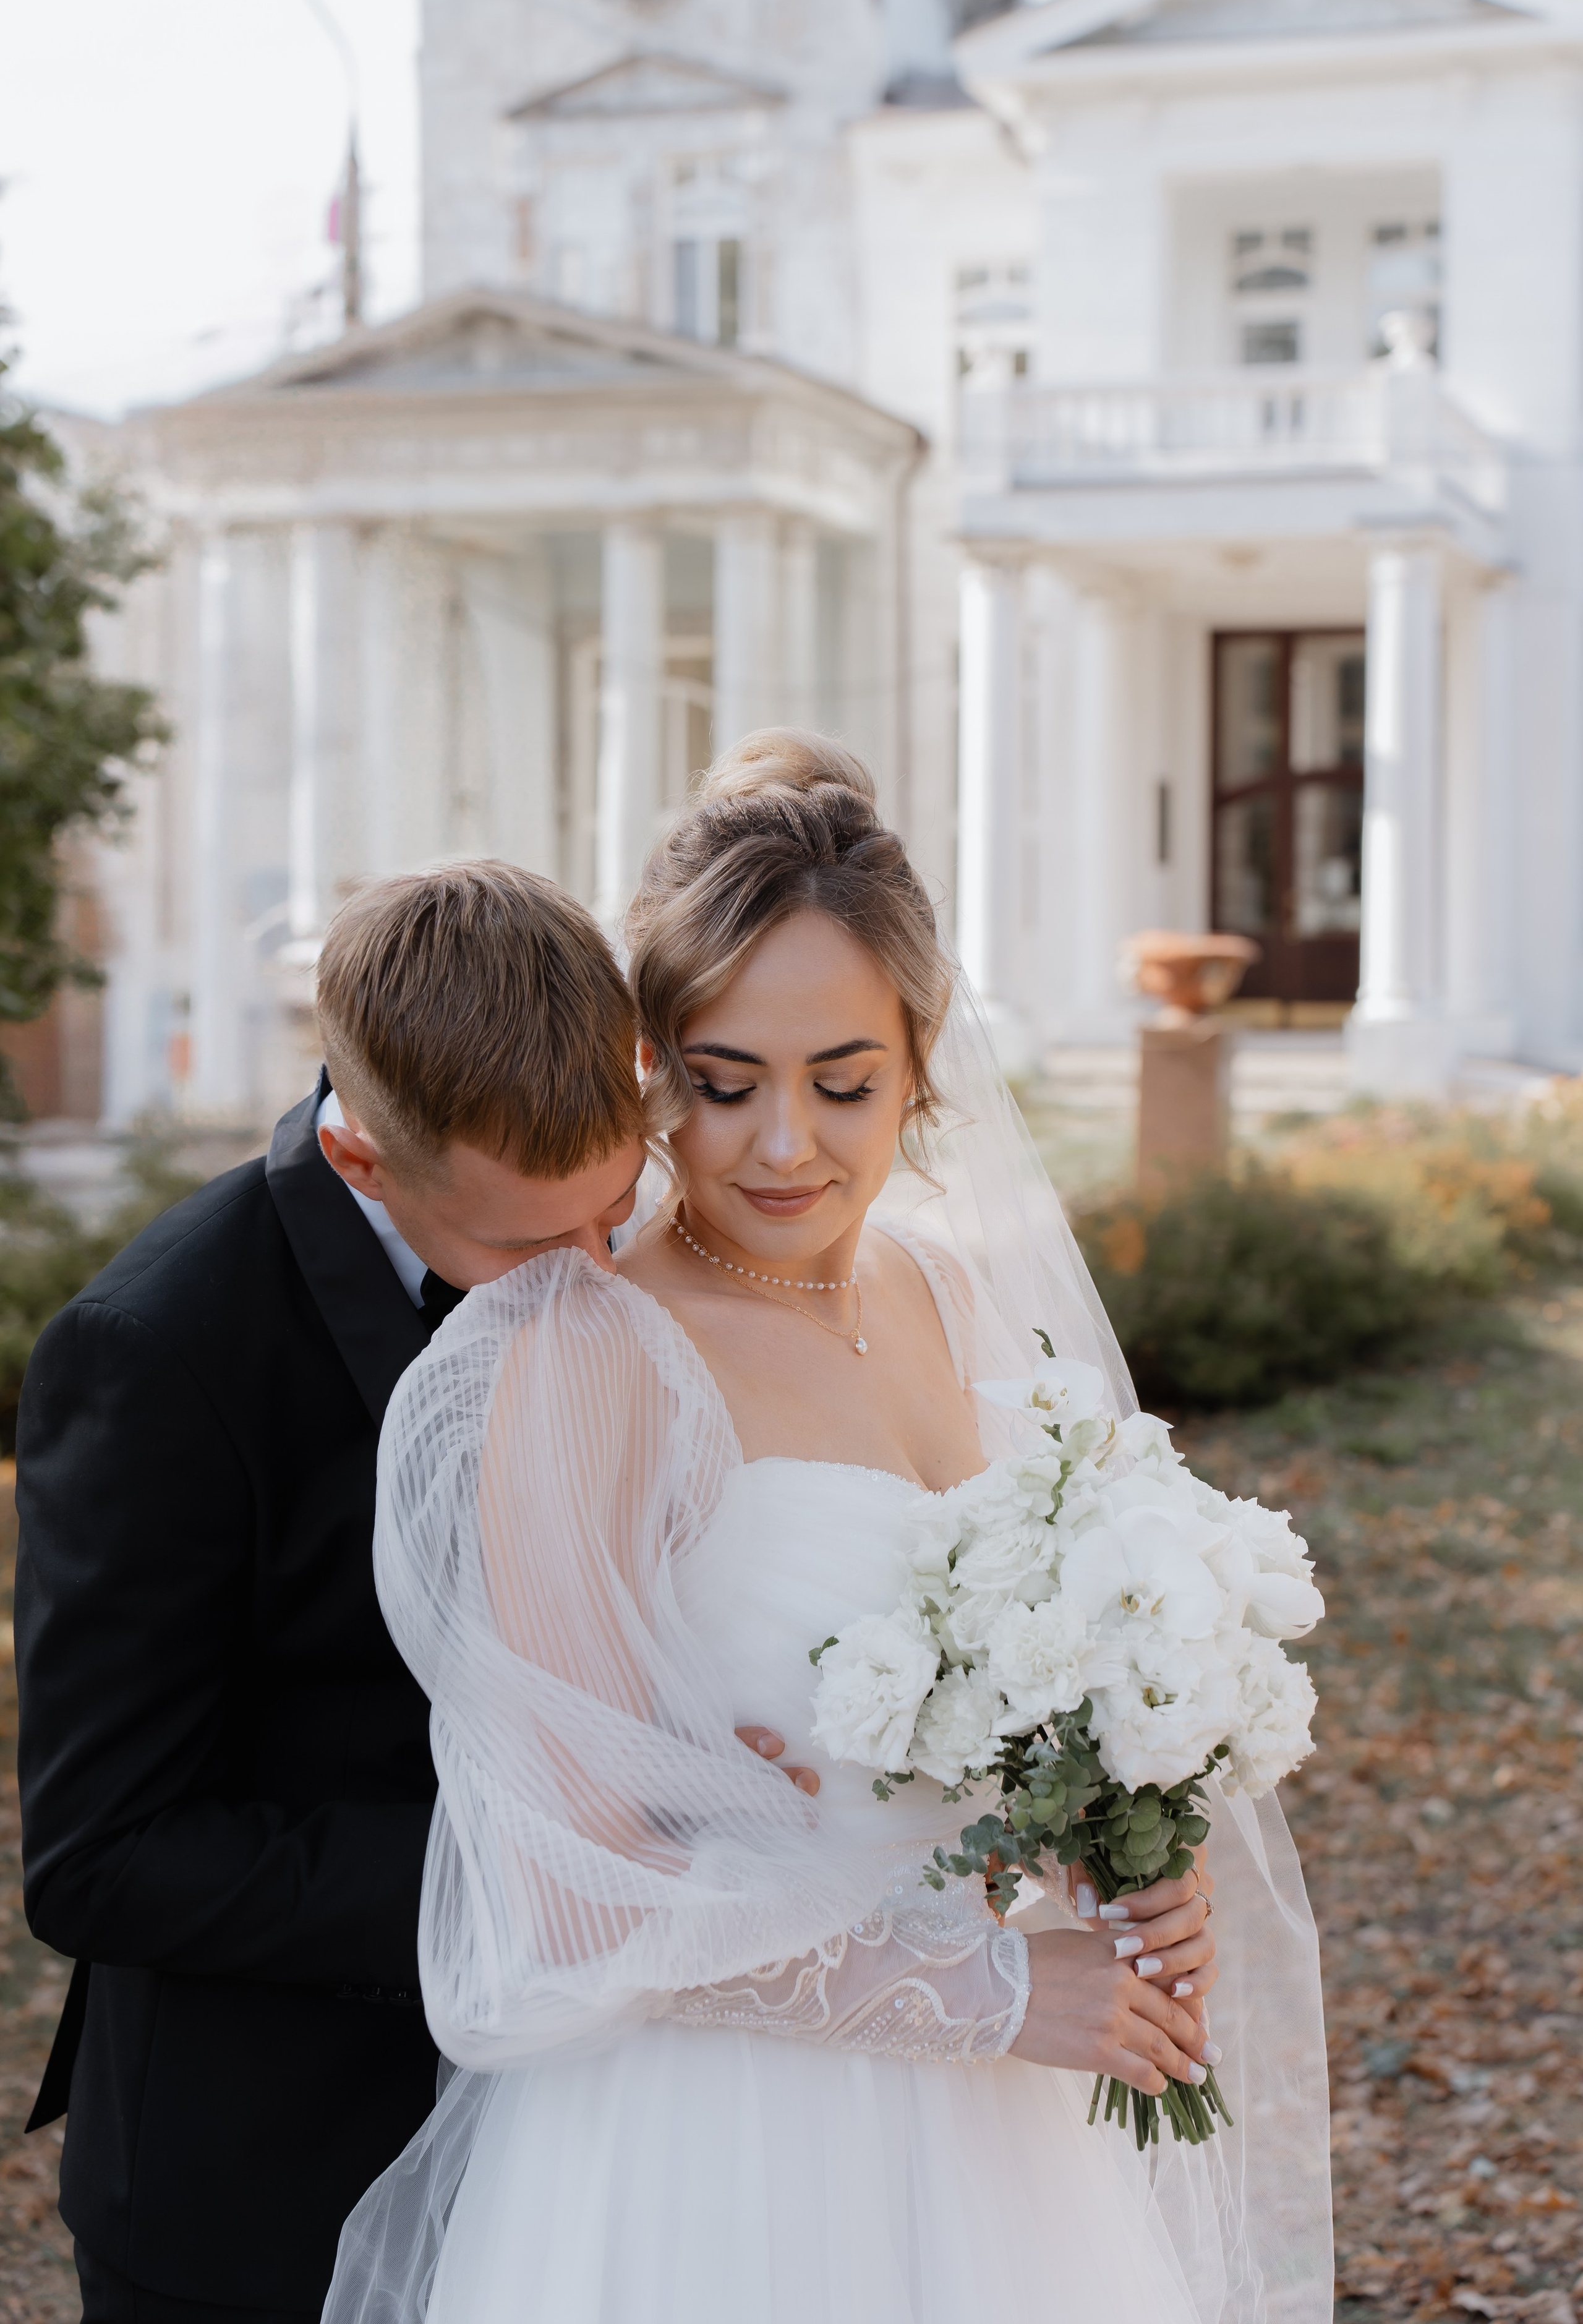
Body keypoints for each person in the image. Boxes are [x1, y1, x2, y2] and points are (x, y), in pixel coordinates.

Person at [325, 736, 1331, 2324]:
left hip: (1010, 2137)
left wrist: (1131, 1843)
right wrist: (987, 1990)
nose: (783, 1144)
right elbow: (570, 1902)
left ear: (922, 1063)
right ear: (648, 1061)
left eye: (843, 1082)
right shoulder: (583, 1353)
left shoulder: (956, 1292)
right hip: (724, 2150)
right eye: (721, 1084)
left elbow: (1046, 1675)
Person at [14, 862, 810, 2324]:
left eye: (612, 1207)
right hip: (267, 2186)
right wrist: (530, 1868)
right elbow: (100, 1856)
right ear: (366, 1157)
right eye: (522, 1246)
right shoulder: (156, 1355)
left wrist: (692, 1778)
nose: (591, 1273)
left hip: (591, 2156)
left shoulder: (615, 1251)